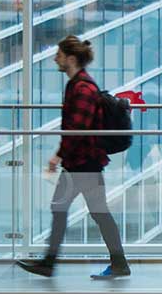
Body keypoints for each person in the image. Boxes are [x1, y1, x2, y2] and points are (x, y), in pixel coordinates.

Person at [17, 35, 131, 281]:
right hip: (84, 162)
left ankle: (50, 263)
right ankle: (117, 262)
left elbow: (76, 128)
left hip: (83, 162)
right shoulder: (79, 85)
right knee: (89, 211)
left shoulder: (82, 88)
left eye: (58, 54)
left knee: (68, 209)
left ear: (71, 58)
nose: (55, 58)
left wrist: (58, 156)